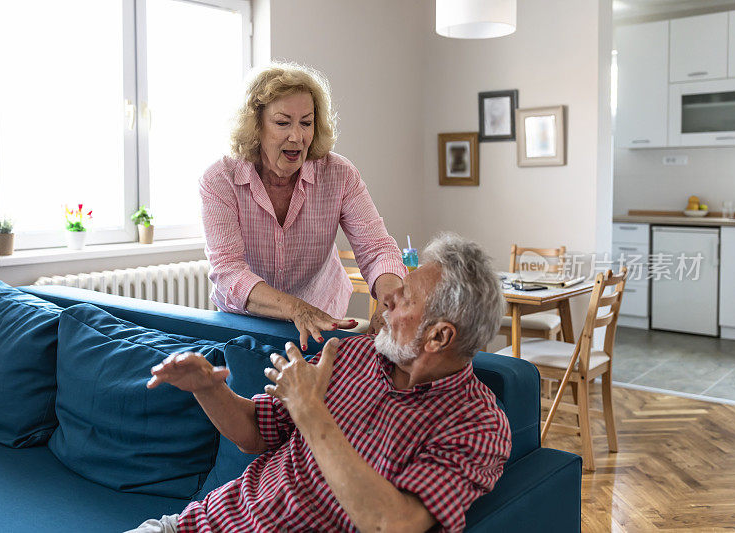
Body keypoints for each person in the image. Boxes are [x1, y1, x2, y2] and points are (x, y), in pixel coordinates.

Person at [132, 234, 512, 533]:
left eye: (405, 298)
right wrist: (207, 388)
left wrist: (310, 411)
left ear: (439, 338)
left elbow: (392, 524)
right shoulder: (353, 355)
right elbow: (253, 433)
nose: (387, 298)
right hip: (195, 525)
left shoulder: (477, 424)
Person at [201, 62, 406, 350]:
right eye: (283, 123)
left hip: (321, 320)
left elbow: (377, 250)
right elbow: (229, 272)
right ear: (256, 126)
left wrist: (389, 305)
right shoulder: (220, 179)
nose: (297, 136)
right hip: (246, 321)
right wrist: (296, 309)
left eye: (306, 123)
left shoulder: (340, 174)